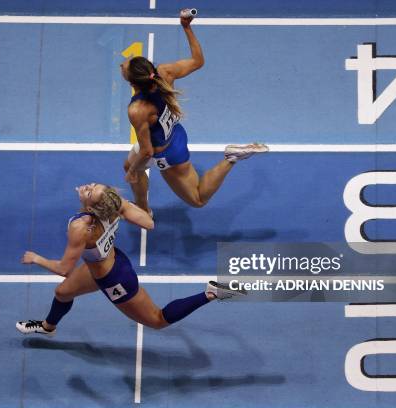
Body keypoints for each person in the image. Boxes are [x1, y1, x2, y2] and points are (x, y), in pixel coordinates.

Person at [16, 183, 244, 335]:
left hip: (115, 280)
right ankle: (48, 327)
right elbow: (149, 223)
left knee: (157, 320)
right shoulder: (115, 205)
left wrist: (37, 258)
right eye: (92, 187)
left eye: (90, 192)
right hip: (109, 261)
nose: (87, 187)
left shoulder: (80, 228)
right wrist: (124, 206)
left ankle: (211, 293)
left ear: (93, 208)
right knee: (63, 293)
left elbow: (65, 268)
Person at [121, 10, 267, 214]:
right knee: (129, 166)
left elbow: (147, 152)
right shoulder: (164, 72)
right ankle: (143, 207)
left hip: (167, 154)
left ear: (132, 81)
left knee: (198, 199)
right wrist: (186, 27)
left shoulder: (138, 110)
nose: (122, 64)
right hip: (175, 133)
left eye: (125, 67)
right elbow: (198, 61)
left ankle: (231, 158)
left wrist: (134, 171)